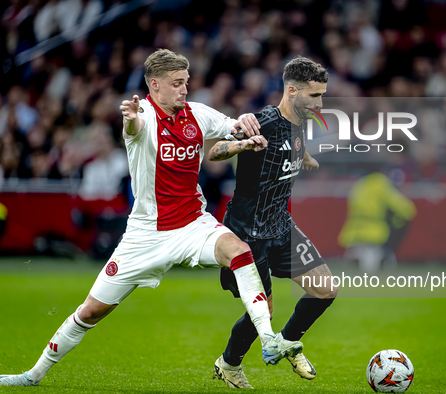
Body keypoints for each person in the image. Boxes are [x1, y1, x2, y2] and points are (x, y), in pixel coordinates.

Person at [0, 49, 303, 387]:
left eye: (186, 83)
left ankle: (268, 337)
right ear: (154, 85)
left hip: (192, 225)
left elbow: (231, 128)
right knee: (91, 311)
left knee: (238, 249)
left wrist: (244, 124)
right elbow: (134, 127)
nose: (184, 90)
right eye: (176, 84)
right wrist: (129, 117)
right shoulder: (142, 114)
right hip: (144, 235)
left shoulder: (197, 115)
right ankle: (33, 375)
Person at [208, 57, 337, 389]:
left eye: (322, 95)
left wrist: (304, 156)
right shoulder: (262, 121)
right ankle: (229, 364)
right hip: (247, 233)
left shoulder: (299, 121)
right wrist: (243, 144)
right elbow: (215, 151)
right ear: (291, 91)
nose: (319, 103)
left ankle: (289, 342)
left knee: (325, 290)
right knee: (261, 313)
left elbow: (289, 146)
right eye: (314, 96)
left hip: (281, 225)